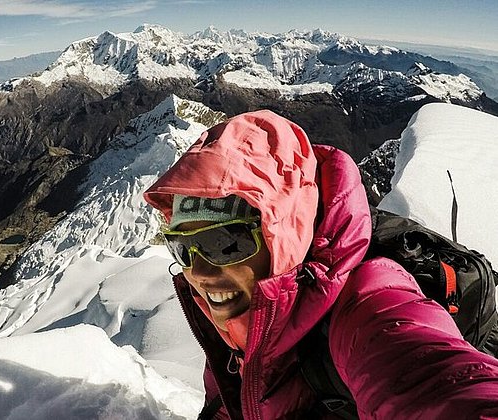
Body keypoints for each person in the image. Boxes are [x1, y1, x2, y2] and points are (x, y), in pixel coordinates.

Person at [143, 110, 498, 419]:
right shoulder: (244, 316)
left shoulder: (369, 302)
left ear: (281, 234)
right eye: (182, 248)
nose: (200, 273)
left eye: (223, 243)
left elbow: (432, 381)